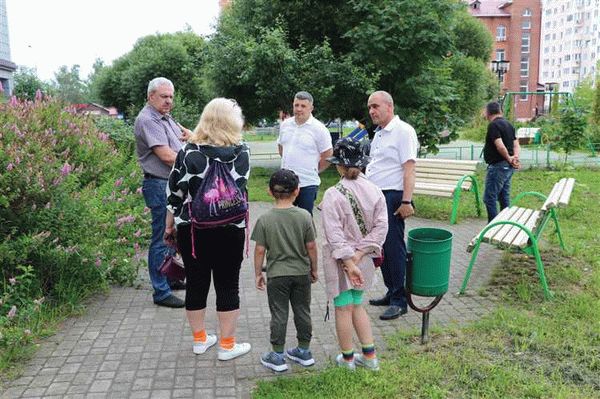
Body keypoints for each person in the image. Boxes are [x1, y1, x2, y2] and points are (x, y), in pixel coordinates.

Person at [165, 98, 251, 361]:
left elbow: (174, 193)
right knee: (228, 285)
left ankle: (200, 340)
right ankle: (227, 345)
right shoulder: (242, 151)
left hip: (194, 230)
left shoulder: (188, 152)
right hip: (231, 228)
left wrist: (169, 226)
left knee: (196, 283)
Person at [320, 137, 388, 370]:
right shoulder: (375, 190)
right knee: (358, 305)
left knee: (343, 307)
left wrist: (349, 261)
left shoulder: (332, 194)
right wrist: (359, 255)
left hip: (341, 262)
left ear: (339, 165)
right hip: (364, 259)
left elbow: (333, 233)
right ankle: (370, 358)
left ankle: (347, 360)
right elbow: (381, 228)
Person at [252, 169, 318, 372]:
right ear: (297, 191)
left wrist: (258, 273)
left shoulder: (265, 219)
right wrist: (314, 269)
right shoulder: (304, 216)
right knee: (302, 310)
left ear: (269, 192)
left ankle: (278, 355)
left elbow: (260, 250)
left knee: (279, 313)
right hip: (301, 273)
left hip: (277, 274)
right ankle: (304, 351)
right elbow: (312, 247)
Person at [135, 77, 190, 308]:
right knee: (161, 238)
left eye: (170, 97)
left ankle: (169, 276)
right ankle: (161, 291)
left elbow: (187, 137)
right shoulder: (148, 119)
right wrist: (195, 163)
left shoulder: (165, 117)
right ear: (151, 97)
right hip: (159, 184)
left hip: (171, 183)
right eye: (163, 96)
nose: (168, 101)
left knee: (172, 235)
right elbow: (167, 156)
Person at [365, 90, 419, 320]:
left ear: (390, 106)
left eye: (375, 106)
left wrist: (406, 201)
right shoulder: (378, 134)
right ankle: (391, 290)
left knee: (394, 247)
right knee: (381, 246)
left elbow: (409, 169)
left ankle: (400, 300)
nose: (372, 111)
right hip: (376, 196)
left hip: (393, 196)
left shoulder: (403, 131)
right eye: (369, 107)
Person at [277, 91, 333, 214]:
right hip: (285, 182)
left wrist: (314, 169)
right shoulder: (285, 125)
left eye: (303, 106)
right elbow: (281, 147)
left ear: (311, 108)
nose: (299, 109)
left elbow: (328, 155)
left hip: (307, 183)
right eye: (296, 105)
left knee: (304, 219)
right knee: (285, 218)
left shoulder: (319, 129)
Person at [483, 101, 521, 222]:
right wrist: (515, 157)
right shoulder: (509, 125)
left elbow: (500, 146)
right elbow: (516, 144)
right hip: (508, 167)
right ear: (500, 111)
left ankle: (492, 228)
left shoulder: (493, 125)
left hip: (498, 166)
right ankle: (505, 224)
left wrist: (509, 158)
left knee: (489, 198)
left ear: (488, 112)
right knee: (503, 197)